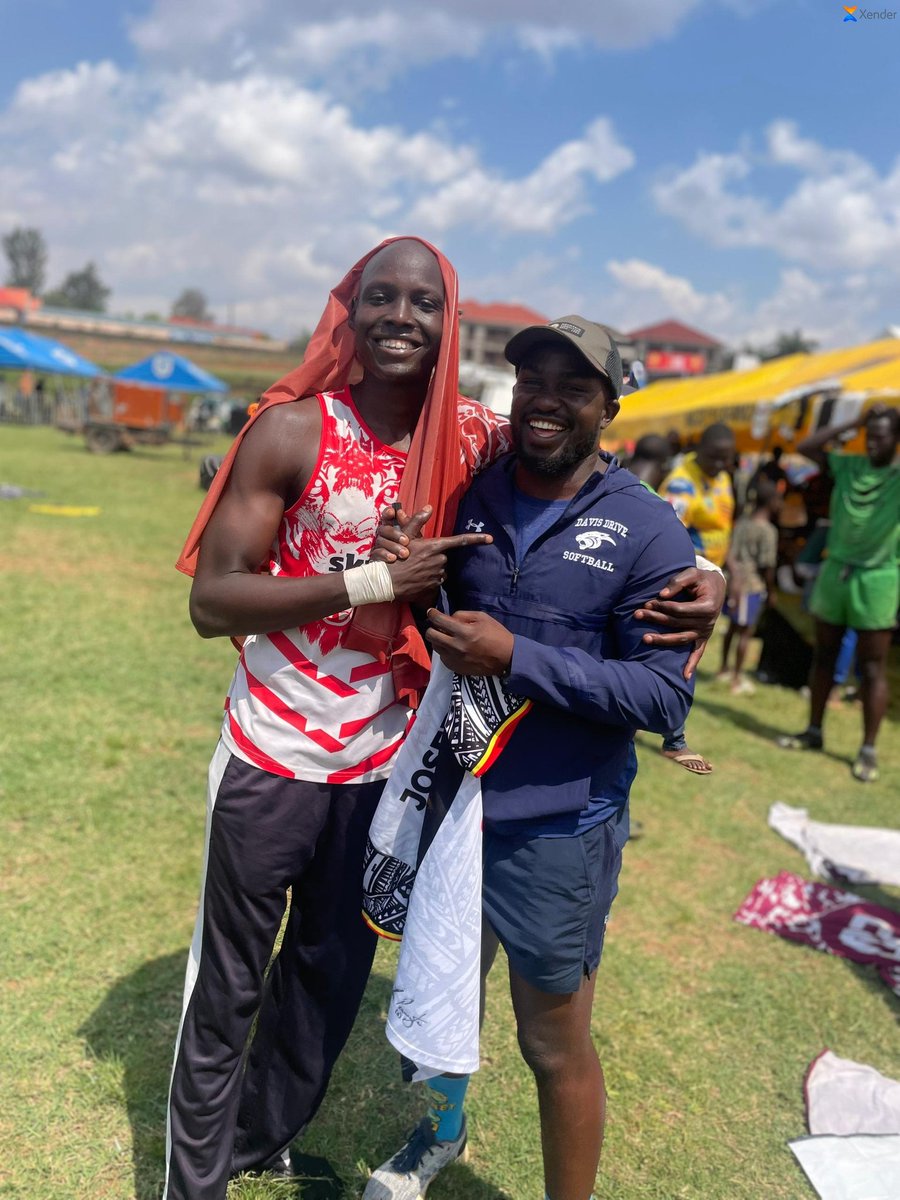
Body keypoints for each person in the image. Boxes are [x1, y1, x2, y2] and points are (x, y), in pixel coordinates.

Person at [164, 242, 722, 1200]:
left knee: (333, 974)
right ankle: (196, 1183)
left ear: (449, 322)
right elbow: (214, 599)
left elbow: (600, 479)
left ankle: (262, 1138)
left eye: (423, 302)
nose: (400, 317)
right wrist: (376, 579)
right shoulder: (295, 428)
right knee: (233, 983)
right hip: (278, 748)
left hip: (391, 771)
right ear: (350, 309)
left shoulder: (472, 435)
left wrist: (705, 566)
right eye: (380, 297)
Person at [363, 317, 697, 1200]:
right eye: (532, 382)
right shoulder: (474, 492)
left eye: (572, 387)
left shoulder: (648, 530)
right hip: (455, 804)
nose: (545, 401)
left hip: (558, 827)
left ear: (609, 407)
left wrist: (517, 656)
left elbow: (662, 698)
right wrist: (411, 570)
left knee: (551, 1043)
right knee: (447, 994)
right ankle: (439, 1134)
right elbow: (444, 620)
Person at [778, 404, 899, 783]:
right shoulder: (849, 466)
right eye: (870, 436)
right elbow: (807, 446)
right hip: (836, 571)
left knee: (872, 666)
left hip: (878, 577)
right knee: (824, 656)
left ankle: (868, 749)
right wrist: (855, 422)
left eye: (881, 437)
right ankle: (813, 730)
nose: (873, 443)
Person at [656, 421, 736, 773]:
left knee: (686, 656)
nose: (720, 465)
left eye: (726, 459)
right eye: (715, 457)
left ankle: (669, 733)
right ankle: (674, 739)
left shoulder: (722, 478)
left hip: (711, 578)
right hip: (684, 580)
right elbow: (669, 534)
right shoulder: (681, 483)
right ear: (699, 449)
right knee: (681, 656)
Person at [717, 477, 781, 694]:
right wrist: (771, 590)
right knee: (745, 632)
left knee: (732, 628)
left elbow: (730, 553)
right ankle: (736, 677)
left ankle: (723, 668)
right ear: (771, 502)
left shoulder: (743, 523)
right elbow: (767, 565)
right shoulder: (768, 531)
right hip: (751, 586)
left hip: (734, 583)